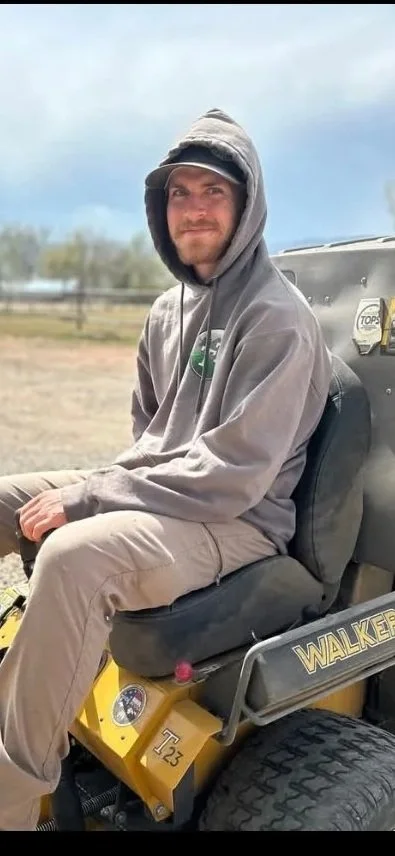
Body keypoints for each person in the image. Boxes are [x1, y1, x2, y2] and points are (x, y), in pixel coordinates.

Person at [0, 107, 332, 830]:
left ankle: (12, 798)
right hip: (169, 499)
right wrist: (99, 492)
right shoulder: (164, 311)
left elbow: (233, 475)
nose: (194, 208)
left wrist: (92, 500)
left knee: (75, 555)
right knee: (5, 501)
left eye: (213, 191)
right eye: (179, 193)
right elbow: (146, 440)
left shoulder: (276, 317)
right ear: (161, 209)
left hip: (237, 520)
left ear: (246, 204)